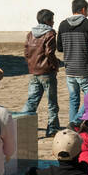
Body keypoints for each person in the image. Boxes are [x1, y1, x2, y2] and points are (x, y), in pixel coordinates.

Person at [58, 0, 88, 128]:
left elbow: (59, 47)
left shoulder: (62, 25)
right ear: (83, 9)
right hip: (85, 69)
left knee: (73, 99)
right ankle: (76, 121)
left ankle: (73, 128)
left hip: (70, 70)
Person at [24, 8, 62, 137]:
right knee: (52, 102)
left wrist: (31, 65)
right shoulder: (50, 33)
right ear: (47, 20)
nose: (53, 22)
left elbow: (26, 52)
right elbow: (49, 53)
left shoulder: (30, 34)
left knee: (32, 100)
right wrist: (55, 65)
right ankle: (52, 128)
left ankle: (22, 123)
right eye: (52, 19)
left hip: (34, 71)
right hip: (47, 72)